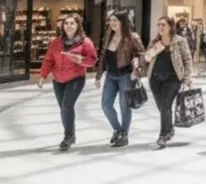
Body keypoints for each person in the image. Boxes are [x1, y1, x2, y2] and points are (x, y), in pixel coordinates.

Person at [37, 13, 98, 151]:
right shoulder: (56, 42)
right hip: (58, 80)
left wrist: (79, 59)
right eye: (66, 23)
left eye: (72, 23)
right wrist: (42, 76)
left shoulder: (85, 42)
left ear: (77, 25)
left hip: (76, 78)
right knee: (64, 109)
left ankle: (68, 137)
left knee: (66, 106)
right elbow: (49, 60)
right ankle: (72, 134)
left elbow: (93, 60)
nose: (69, 26)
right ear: (62, 26)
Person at [142, 16, 194, 149]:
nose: (160, 27)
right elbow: (146, 59)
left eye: (163, 25)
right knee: (162, 107)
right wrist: (155, 49)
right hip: (155, 78)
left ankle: (163, 135)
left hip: (173, 78)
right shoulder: (155, 41)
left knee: (165, 106)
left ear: (170, 26)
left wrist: (188, 77)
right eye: (158, 25)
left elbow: (187, 59)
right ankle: (169, 128)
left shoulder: (179, 41)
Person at [97, 11, 145, 148]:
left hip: (126, 75)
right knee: (106, 105)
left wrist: (137, 69)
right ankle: (118, 129)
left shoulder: (132, 37)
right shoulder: (108, 36)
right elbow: (102, 56)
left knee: (125, 106)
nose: (112, 23)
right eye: (110, 20)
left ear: (122, 22)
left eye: (115, 20)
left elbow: (142, 54)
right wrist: (98, 76)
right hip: (110, 75)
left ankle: (124, 135)